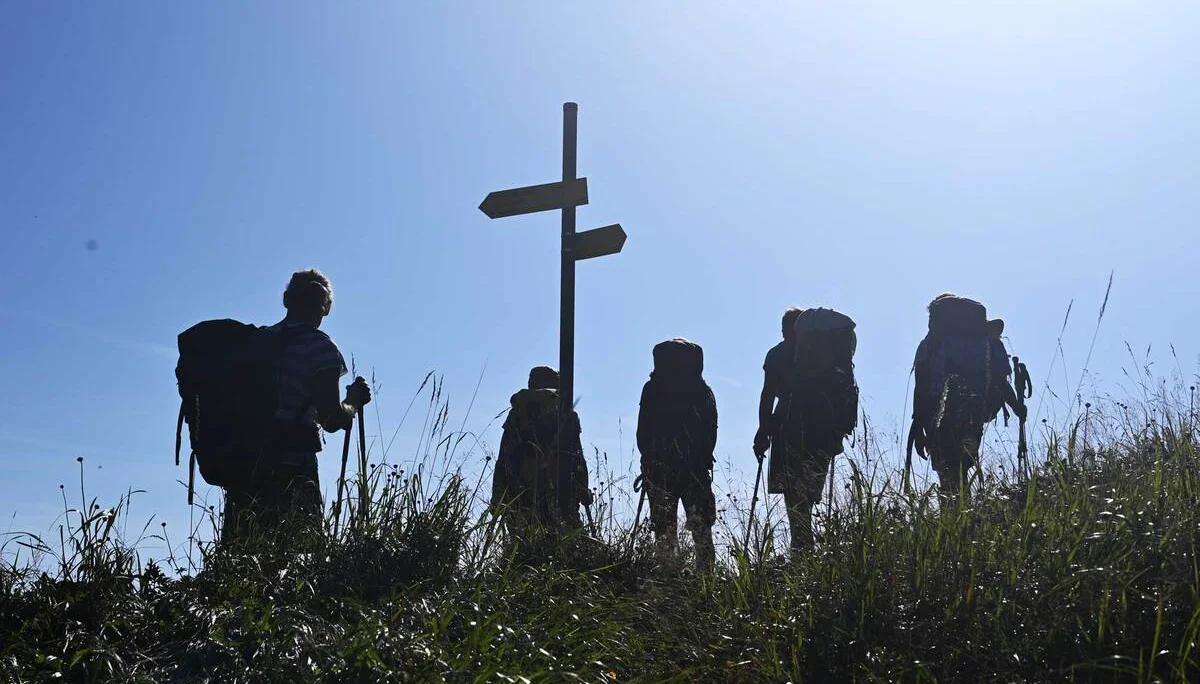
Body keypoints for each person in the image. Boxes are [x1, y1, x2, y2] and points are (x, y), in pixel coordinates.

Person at [222, 269, 371, 543]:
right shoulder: (319, 346)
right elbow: (331, 419)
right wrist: (353, 401)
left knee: (241, 555)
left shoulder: (255, 343)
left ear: (286, 300)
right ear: (325, 308)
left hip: (244, 468)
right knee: (294, 553)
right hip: (291, 467)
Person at [754, 307, 858, 556]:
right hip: (821, 428)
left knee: (794, 498)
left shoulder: (777, 354)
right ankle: (807, 549)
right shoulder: (828, 352)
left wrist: (763, 430)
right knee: (807, 495)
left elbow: (768, 394)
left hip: (787, 426)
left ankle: (802, 549)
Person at [909, 294, 1024, 500]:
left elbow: (921, 387)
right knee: (961, 467)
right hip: (974, 412)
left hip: (937, 415)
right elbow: (1000, 380)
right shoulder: (985, 341)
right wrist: (1016, 406)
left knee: (947, 470)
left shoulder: (930, 344)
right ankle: (964, 511)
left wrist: (917, 427)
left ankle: (955, 514)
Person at [636, 338, 718, 572]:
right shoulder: (701, 390)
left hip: (660, 469)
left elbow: (643, 431)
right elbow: (711, 430)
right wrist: (703, 457)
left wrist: (648, 460)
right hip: (695, 469)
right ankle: (706, 577)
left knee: (664, 529)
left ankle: (668, 576)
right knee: (701, 529)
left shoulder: (652, 389)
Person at [490, 366, 592, 551]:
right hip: (560, 494)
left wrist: (497, 496)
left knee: (522, 550)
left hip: (520, 495)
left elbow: (503, 458)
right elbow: (576, 456)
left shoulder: (517, 414)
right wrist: (583, 487)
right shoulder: (564, 412)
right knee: (570, 548)